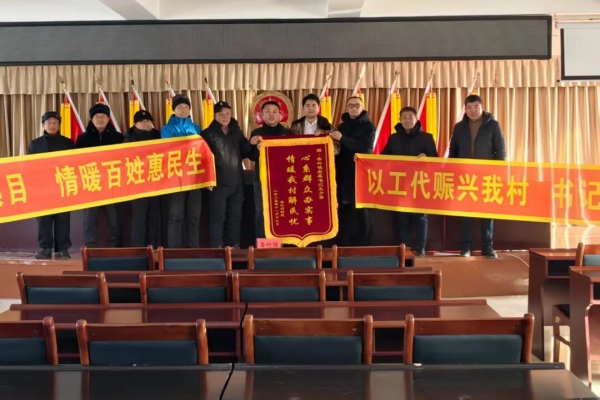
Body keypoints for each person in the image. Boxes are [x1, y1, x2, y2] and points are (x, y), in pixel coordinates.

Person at [449, 94, 506, 259]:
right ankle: (467, 246)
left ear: (482, 107)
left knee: (486, 212)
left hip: (486, 176)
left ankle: (487, 247)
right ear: (465, 109)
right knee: (466, 213)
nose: (473, 110)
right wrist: (452, 171)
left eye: (476, 107)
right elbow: (453, 151)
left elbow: (500, 150)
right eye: (469, 107)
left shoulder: (493, 125)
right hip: (465, 176)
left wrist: (499, 172)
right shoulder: (459, 127)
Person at [381, 106, 438, 256]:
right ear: (399, 120)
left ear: (416, 119)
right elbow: (382, 158)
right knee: (403, 218)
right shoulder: (393, 138)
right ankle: (406, 248)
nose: (407, 120)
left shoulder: (426, 137)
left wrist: (427, 157)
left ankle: (420, 248)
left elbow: (435, 159)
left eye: (410, 117)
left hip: (420, 183)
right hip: (400, 184)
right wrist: (363, 159)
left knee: (421, 217)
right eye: (404, 118)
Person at [201, 101, 256, 248]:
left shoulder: (236, 131)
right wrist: (207, 180)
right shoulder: (207, 134)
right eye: (221, 114)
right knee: (218, 217)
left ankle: (234, 246)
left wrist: (252, 143)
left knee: (235, 217)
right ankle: (217, 248)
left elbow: (245, 152)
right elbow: (203, 160)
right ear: (214, 116)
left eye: (227, 114)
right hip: (218, 183)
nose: (225, 117)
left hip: (237, 182)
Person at [28, 111, 76, 259]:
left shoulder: (68, 143)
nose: (52, 125)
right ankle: (45, 248)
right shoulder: (35, 144)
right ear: (43, 125)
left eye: (55, 123)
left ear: (59, 125)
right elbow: (29, 167)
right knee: (44, 220)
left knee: (63, 219)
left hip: (62, 187)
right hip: (42, 189)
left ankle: (63, 249)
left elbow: (75, 164)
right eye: (49, 123)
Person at [76, 103, 124, 247]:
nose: (100, 119)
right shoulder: (82, 138)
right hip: (91, 181)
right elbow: (78, 161)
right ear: (92, 119)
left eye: (103, 116)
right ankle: (90, 246)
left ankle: (116, 246)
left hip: (112, 181)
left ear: (108, 119)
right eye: (97, 116)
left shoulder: (118, 137)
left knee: (114, 216)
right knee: (90, 217)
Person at [330, 96, 376, 246]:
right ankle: (345, 244)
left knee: (362, 210)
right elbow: (337, 150)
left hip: (361, 174)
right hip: (343, 173)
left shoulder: (369, 127)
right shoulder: (342, 126)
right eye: (351, 105)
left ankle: (364, 245)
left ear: (362, 107)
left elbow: (366, 148)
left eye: (357, 105)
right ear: (346, 108)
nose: (354, 108)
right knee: (344, 209)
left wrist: (343, 138)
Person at [161, 94, 204, 248]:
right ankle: (173, 251)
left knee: (194, 216)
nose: (184, 110)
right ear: (174, 110)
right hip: (176, 177)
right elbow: (169, 149)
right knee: (175, 216)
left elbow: (202, 151)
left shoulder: (196, 128)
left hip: (194, 178)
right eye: (180, 107)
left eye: (186, 107)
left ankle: (193, 249)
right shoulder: (167, 129)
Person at [248, 100, 291, 239]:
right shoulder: (256, 133)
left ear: (280, 115)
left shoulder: (287, 133)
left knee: (282, 210)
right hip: (261, 179)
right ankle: (262, 244)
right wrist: (257, 149)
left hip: (283, 180)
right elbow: (251, 157)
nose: (271, 115)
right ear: (262, 115)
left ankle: (282, 242)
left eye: (274, 112)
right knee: (261, 211)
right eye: (268, 112)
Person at [124, 110, 161, 247]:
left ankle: (152, 247)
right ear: (135, 124)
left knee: (153, 217)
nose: (145, 123)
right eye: (142, 121)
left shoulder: (158, 135)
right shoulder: (129, 137)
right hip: (137, 183)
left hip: (156, 182)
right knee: (139, 218)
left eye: (148, 121)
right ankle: (138, 248)